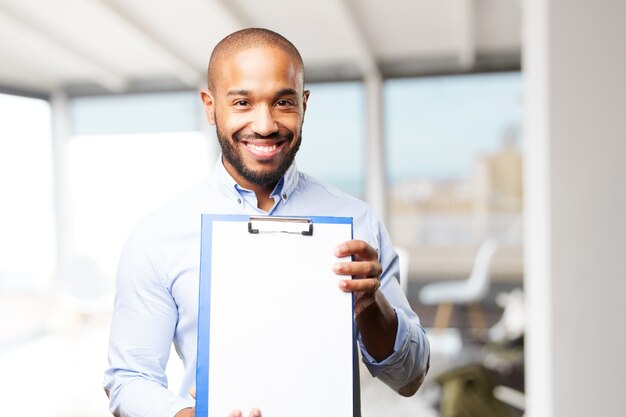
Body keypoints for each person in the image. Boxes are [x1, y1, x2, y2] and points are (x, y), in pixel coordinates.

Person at [104, 28, 430, 417]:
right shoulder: (159, 236)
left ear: (304, 104)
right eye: (242, 102)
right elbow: (129, 378)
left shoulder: (356, 221)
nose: (265, 125)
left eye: (283, 102)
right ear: (210, 106)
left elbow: (409, 379)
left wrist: (371, 304)